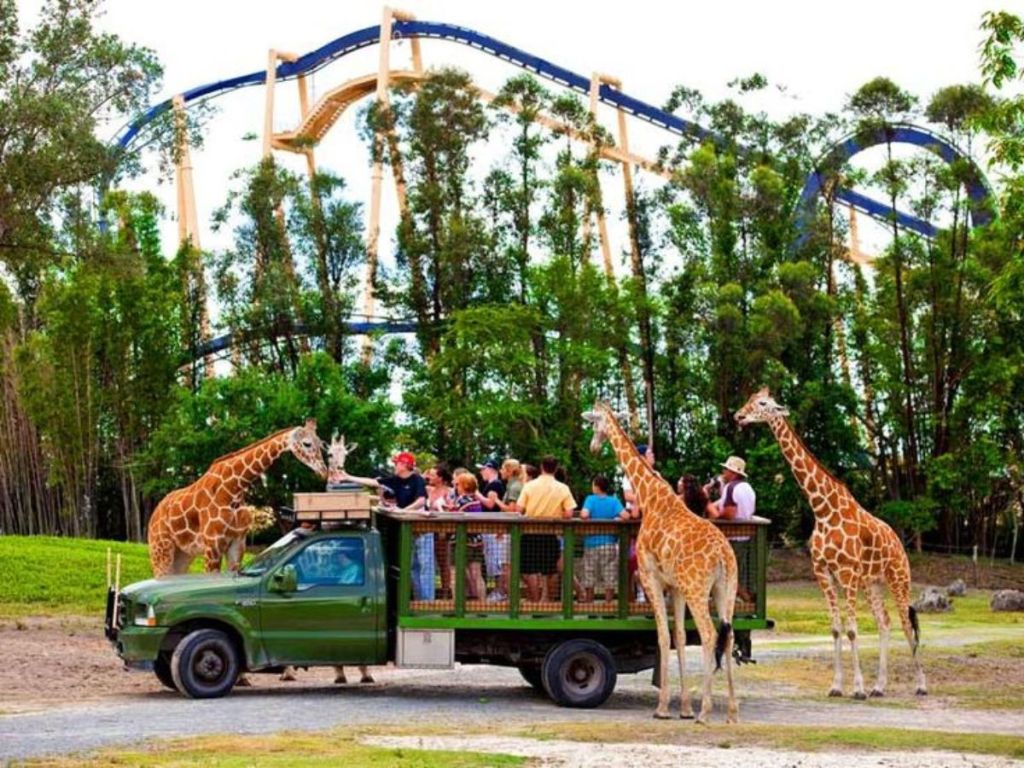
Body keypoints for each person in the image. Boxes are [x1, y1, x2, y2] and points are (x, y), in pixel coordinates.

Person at [341, 452, 431, 599]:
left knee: (425, 568)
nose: (394, 465)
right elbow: (373, 482)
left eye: (397, 463)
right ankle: (419, 601)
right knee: (412, 567)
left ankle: (428, 603)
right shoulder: (395, 480)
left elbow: (421, 501)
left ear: (405, 465)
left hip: (423, 528)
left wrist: (402, 511)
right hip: (409, 528)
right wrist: (348, 477)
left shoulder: (417, 480)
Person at [517, 455, 576, 603]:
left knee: (529, 570)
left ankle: (536, 602)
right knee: (550, 570)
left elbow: (520, 509)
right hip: (550, 532)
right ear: (556, 469)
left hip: (530, 532)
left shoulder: (529, 486)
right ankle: (548, 601)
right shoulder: (563, 488)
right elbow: (569, 513)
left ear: (541, 467)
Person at [705, 455, 756, 602]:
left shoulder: (730, 487)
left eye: (726, 470)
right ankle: (744, 599)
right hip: (746, 536)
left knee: (725, 573)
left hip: (732, 537)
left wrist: (713, 514)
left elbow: (729, 513)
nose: (723, 472)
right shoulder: (747, 487)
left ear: (733, 473)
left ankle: (746, 599)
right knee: (734, 572)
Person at [579, 475, 628, 603]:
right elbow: (626, 516)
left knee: (589, 574)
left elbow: (584, 514)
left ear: (596, 487)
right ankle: (608, 605)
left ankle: (590, 606)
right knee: (609, 575)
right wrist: (616, 519)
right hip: (609, 543)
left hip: (591, 544)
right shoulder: (614, 501)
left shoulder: (590, 499)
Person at [476, 459, 509, 602]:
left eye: (483, 469)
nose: (481, 472)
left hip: (494, 528)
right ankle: (499, 590)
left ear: (490, 469)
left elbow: (490, 504)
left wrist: (475, 493)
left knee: (497, 561)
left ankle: (500, 591)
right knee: (493, 560)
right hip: (489, 527)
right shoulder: (490, 485)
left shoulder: (494, 485)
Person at [453, 472, 486, 599]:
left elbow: (453, 514)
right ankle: (483, 605)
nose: (456, 487)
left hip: (461, 541)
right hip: (477, 542)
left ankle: (456, 606)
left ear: (464, 485)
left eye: (458, 484)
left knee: (455, 573)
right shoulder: (476, 502)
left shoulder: (461, 500)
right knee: (476, 574)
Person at [427, 465, 454, 599]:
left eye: (432, 475)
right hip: (427, 530)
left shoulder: (449, 491)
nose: (429, 477)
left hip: (442, 531)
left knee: (444, 562)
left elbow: (451, 510)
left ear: (440, 478)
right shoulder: (428, 490)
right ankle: (429, 592)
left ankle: (446, 591)